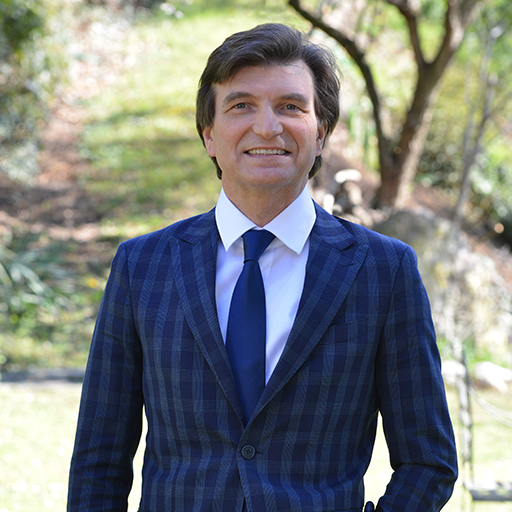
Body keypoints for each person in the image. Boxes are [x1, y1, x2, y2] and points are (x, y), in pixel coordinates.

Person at [67, 23, 457, 512]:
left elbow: (428, 462)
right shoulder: (141, 267)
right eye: (241, 106)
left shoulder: (384, 271)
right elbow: (98, 461)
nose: (268, 127)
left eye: (291, 106)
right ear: (209, 135)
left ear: (321, 133)